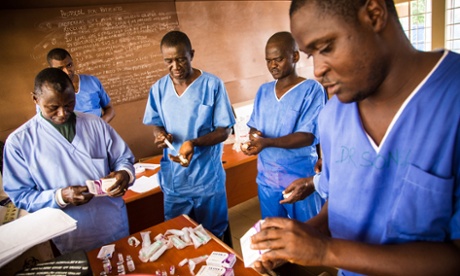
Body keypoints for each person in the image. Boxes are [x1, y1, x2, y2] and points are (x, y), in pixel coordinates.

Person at [250, 0, 460, 275]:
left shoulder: (451, 102)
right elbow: (338, 206)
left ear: (374, 15)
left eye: (326, 48)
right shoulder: (334, 115)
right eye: (312, 55)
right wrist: (301, 239)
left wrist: (325, 251)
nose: (318, 70)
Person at [3, 68, 135, 254]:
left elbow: (123, 158)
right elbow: (21, 195)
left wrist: (125, 173)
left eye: (69, 104)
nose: (62, 113)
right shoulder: (20, 142)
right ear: (35, 99)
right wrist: (60, 197)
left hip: (112, 223)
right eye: (53, 107)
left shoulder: (95, 124)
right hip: (72, 234)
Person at [143, 30, 235, 238]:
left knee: (213, 235)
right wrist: (160, 135)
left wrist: (194, 142)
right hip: (176, 180)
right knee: (176, 235)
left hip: (206, 179)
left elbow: (225, 130)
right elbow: (156, 123)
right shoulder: (159, 89)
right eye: (168, 61)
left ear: (191, 54)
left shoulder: (212, 85)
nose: (175, 67)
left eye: (181, 59)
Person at [241, 31, 327, 222]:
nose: (273, 65)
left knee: (308, 233)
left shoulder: (312, 90)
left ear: (295, 56)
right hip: (267, 179)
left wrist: (267, 142)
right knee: (274, 232)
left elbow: (308, 136)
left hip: (300, 177)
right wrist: (254, 137)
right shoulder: (263, 91)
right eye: (268, 60)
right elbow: (255, 127)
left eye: (278, 59)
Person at [45, 48, 116, 123]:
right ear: (51, 69)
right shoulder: (48, 92)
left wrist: (100, 125)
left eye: (69, 65)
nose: (67, 72)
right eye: (60, 68)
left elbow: (110, 109)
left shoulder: (93, 81)